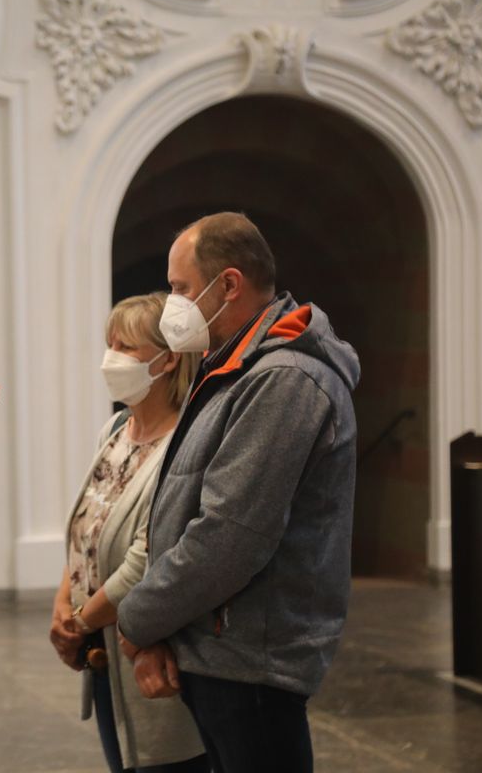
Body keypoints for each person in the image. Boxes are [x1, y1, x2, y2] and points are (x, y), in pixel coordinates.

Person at [116, 212, 360, 773]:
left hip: (252, 658)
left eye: (179, 289)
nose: (172, 304)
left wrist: (137, 618)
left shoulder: (285, 379)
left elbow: (229, 536)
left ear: (228, 284)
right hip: (219, 644)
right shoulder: (235, 367)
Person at [49, 293, 208, 773]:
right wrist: (64, 603)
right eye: (109, 343)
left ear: (168, 359)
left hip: (147, 650)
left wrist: (79, 623)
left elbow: (147, 557)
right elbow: (88, 533)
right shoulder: (116, 428)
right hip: (101, 650)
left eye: (126, 346)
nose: (110, 357)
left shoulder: (185, 441)